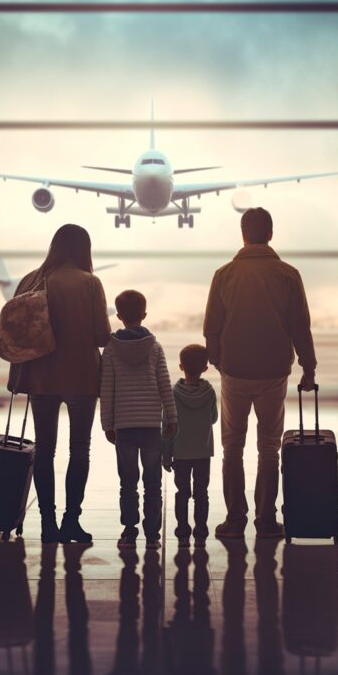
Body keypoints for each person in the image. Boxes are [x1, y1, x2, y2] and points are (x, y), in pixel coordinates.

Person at [203, 207, 317, 540]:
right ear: (270, 233)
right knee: (269, 448)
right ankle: (266, 520)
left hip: (235, 373)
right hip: (273, 372)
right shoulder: (288, 274)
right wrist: (307, 368)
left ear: (243, 234)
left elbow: (212, 328)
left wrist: (221, 362)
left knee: (232, 448)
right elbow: (301, 326)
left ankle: (235, 519)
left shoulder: (223, 274)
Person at [8, 224, 111, 544]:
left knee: (45, 449)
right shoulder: (90, 282)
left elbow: (17, 329)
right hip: (81, 376)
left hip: (41, 376)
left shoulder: (31, 280)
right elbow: (102, 336)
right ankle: (72, 521)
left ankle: (48, 523)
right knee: (80, 448)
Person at [100, 289, 177, 549]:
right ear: (144, 315)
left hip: (124, 426)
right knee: (153, 482)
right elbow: (165, 384)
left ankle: (130, 530)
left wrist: (107, 424)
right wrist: (172, 417)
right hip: (151, 425)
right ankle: (153, 534)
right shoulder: (155, 347)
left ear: (119, 316)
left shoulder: (110, 350)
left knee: (128, 482)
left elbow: (106, 389)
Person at [162, 344, 218, 548]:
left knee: (182, 492)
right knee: (201, 492)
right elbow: (213, 418)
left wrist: (166, 455)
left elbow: (167, 426)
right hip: (203, 451)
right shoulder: (209, 391)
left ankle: (182, 527)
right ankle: (201, 528)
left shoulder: (173, 393)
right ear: (205, 368)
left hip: (181, 452)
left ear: (180, 366)